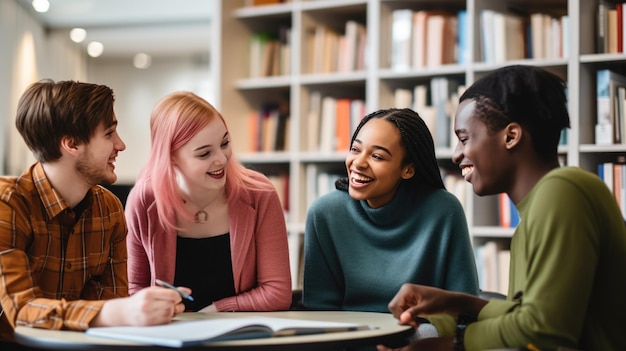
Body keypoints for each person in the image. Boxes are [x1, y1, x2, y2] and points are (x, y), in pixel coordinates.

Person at [384, 65, 626, 351]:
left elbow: (543, 330)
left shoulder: (564, 189)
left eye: (464, 139)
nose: (457, 154)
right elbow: (524, 314)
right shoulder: (533, 215)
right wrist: (455, 303)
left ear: (510, 136)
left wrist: (447, 346)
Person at [0, 79, 187, 346]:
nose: (120, 145)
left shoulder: (108, 208)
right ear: (72, 144)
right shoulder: (7, 204)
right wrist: (117, 312)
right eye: (109, 134)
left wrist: (135, 312)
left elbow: (109, 312)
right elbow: (19, 311)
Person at [125, 91, 292, 313]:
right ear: (171, 157)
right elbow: (135, 290)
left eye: (225, 143)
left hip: (242, 335)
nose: (222, 159)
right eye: (204, 154)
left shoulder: (259, 193)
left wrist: (217, 310)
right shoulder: (144, 201)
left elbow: (277, 294)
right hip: (170, 334)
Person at [302, 108, 479, 314]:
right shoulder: (325, 213)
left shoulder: (444, 211)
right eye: (355, 150)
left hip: (420, 335)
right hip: (349, 337)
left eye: (377, 156)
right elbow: (319, 310)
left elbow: (465, 304)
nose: (358, 163)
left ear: (408, 169)